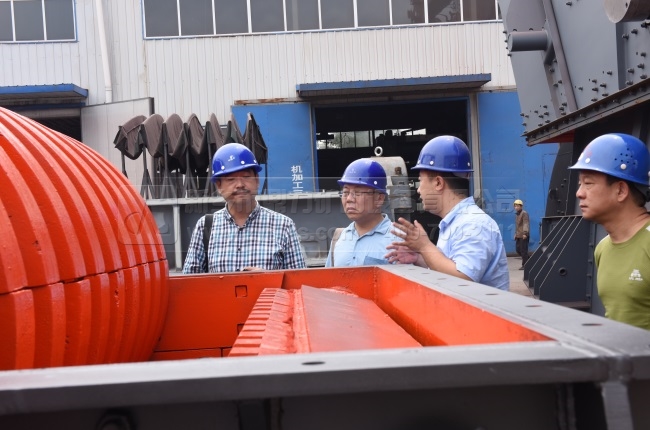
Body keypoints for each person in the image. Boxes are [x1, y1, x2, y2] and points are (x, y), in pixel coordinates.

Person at [385, 135, 510, 291]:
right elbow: (450, 268)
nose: (418, 190)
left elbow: (463, 279)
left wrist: (424, 246)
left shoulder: (473, 223)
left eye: (420, 181)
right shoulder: (455, 222)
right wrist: (420, 258)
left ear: (438, 182)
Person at [569, 133, 650, 330]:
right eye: (580, 184)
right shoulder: (603, 248)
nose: (579, 193)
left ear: (621, 190)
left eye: (588, 183)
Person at [183, 143, 306, 273]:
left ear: (257, 180)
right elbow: (189, 281)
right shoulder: (205, 226)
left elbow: (300, 280)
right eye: (231, 179)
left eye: (246, 177)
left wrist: (269, 277)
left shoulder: (283, 226)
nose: (240, 185)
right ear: (219, 186)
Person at [326, 158, 400, 267]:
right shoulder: (340, 238)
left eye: (358, 192)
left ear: (379, 198)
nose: (349, 199)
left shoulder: (398, 240)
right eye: (345, 192)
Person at [513, 199, 530, 269]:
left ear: (521, 206)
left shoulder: (524, 213)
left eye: (517, 206)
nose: (516, 207)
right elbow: (518, 226)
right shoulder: (517, 214)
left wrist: (525, 233)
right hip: (519, 235)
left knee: (523, 250)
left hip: (523, 235)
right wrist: (515, 234)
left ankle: (525, 265)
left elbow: (525, 223)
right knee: (518, 250)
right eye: (515, 206)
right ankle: (529, 260)